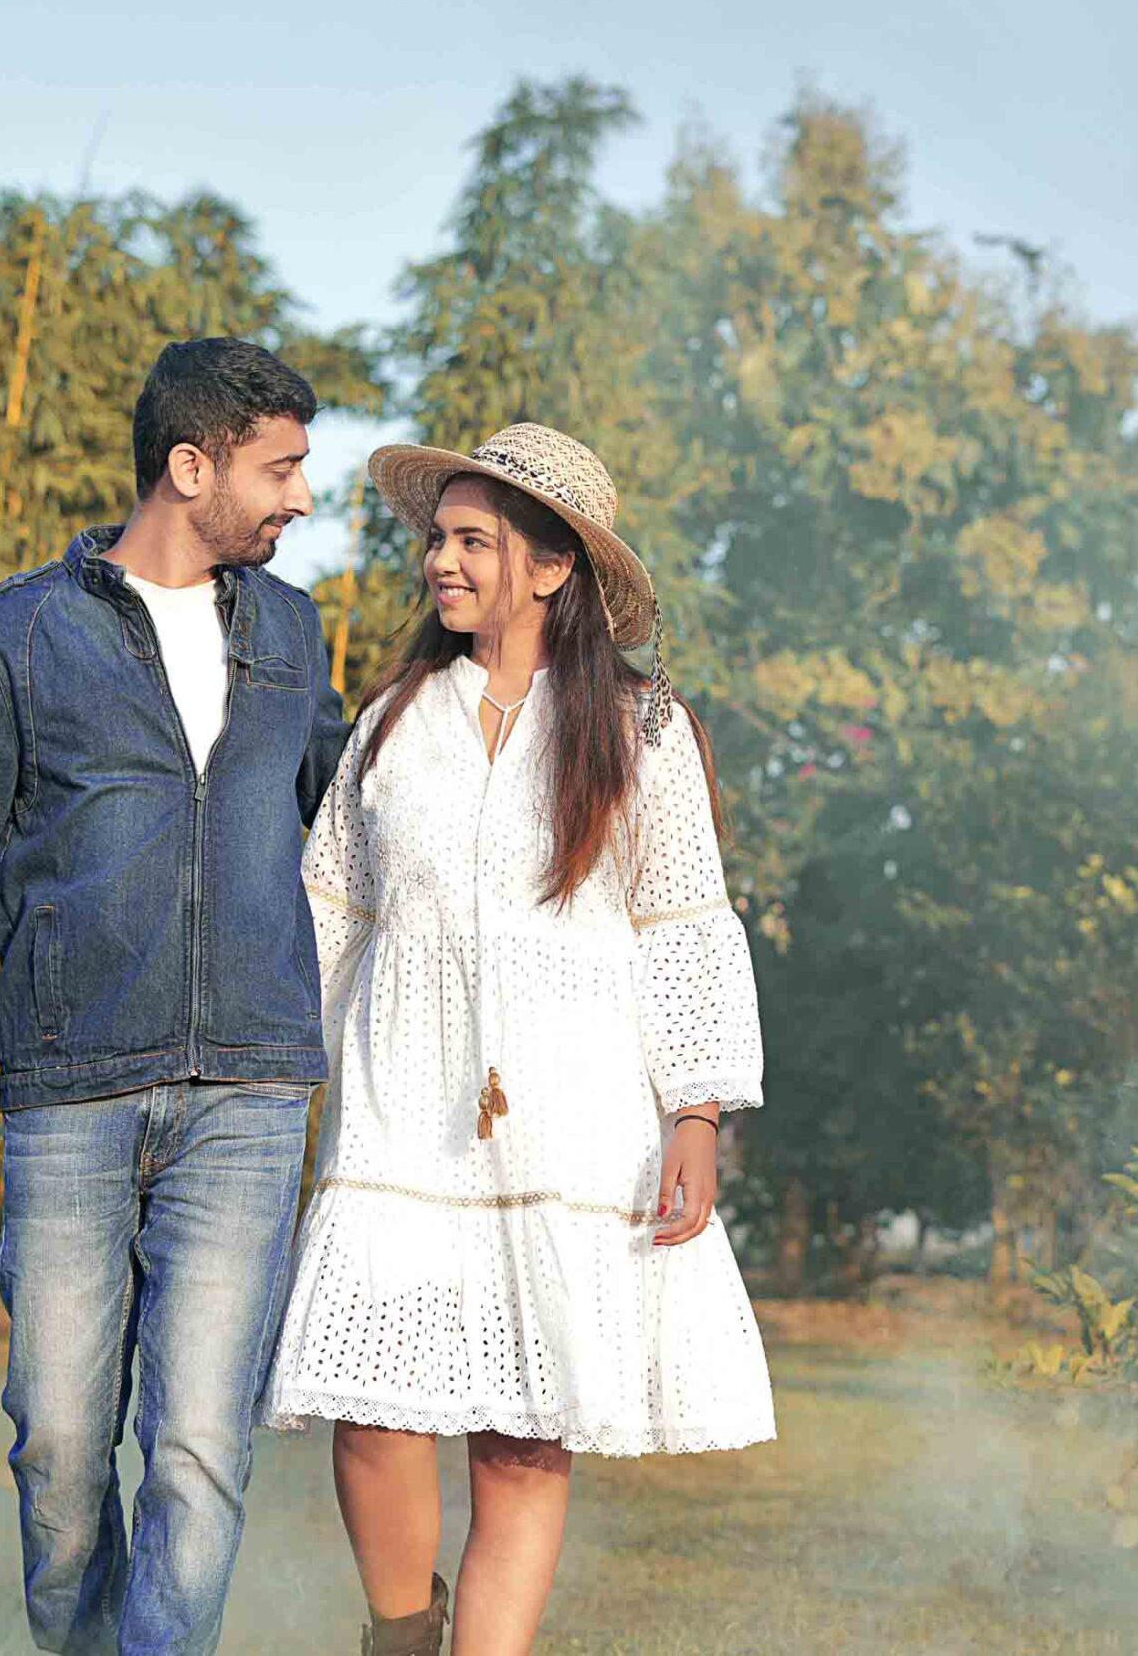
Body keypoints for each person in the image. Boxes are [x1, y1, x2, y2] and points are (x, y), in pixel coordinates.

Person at [0, 337, 349, 1654]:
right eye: (280, 469)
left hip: (250, 1090)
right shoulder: (16, 636)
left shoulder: (290, 629)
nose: (301, 497)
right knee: (56, 1443)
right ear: (190, 467)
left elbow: (356, 817)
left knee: (198, 1444)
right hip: (72, 1089)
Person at [262, 423, 777, 1655]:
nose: (440, 561)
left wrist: (697, 1111)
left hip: (575, 1117)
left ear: (551, 568)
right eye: (438, 538)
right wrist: (269, 1083)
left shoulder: (642, 731)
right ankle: (401, 1635)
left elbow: (684, 928)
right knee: (374, 1417)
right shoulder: (390, 726)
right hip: (401, 1110)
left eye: (472, 541)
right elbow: (326, 919)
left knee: (523, 1439)